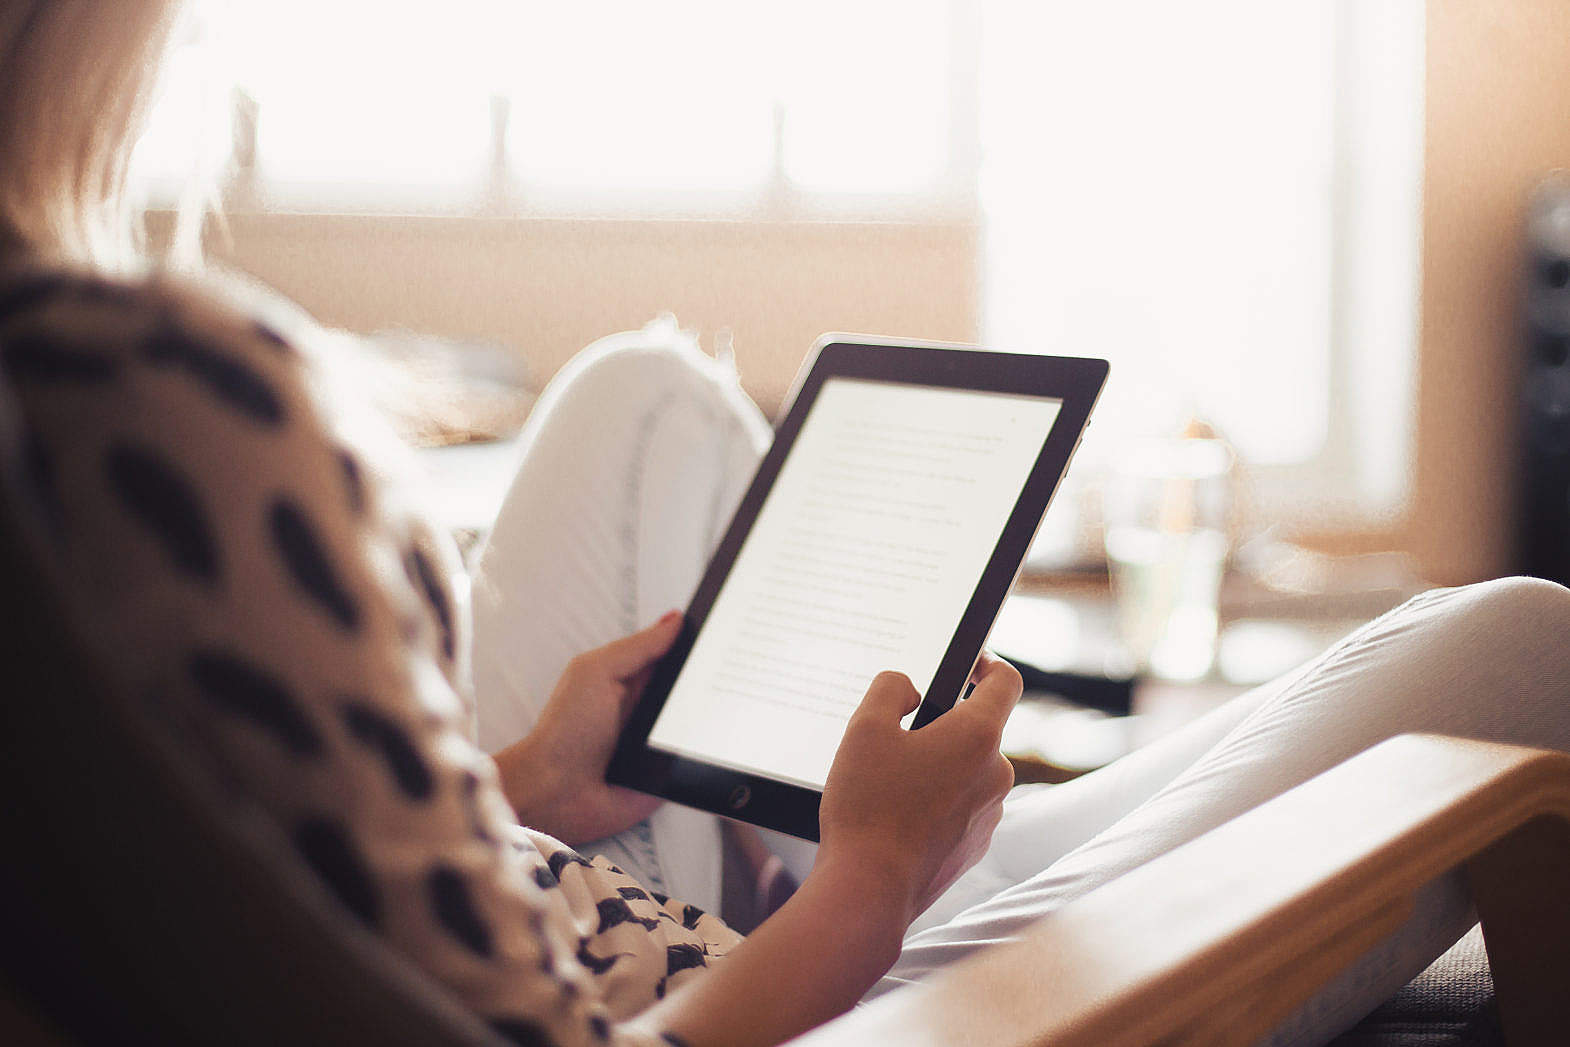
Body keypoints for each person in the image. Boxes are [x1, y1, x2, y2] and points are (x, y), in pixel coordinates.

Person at [2, 4, 1568, 1046]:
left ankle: (777, 835)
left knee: (647, 393)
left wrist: (529, 783)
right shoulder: (152, 397)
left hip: (589, 883)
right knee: (1521, 640)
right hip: (787, 1005)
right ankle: (829, 854)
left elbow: (289, 869)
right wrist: (863, 888)